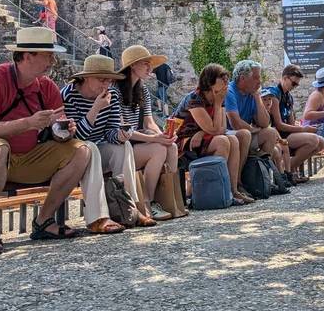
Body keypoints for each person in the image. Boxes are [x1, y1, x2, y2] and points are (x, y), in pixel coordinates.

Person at [0, 27, 111, 255]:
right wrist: (29, 123)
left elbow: (59, 128)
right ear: (28, 55)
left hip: (29, 157)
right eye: (47, 54)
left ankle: (44, 220)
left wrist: (65, 130)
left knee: (82, 150)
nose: (52, 60)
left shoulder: (46, 86)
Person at [60, 55, 155, 227]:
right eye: (101, 80)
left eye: (109, 81)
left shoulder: (110, 94)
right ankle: (98, 218)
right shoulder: (69, 95)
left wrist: (119, 135)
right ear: (86, 77)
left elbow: (110, 131)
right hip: (75, 153)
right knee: (90, 147)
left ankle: (130, 207)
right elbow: (76, 137)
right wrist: (96, 108)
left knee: (123, 146)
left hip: (98, 148)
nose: (106, 85)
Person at [115, 45, 181, 220]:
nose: (150, 69)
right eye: (145, 64)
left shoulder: (143, 90)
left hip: (137, 140)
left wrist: (163, 136)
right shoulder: (115, 90)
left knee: (171, 147)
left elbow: (149, 122)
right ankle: (149, 203)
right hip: (121, 145)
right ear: (132, 66)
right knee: (158, 150)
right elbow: (122, 128)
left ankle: (169, 200)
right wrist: (154, 138)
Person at [173, 63, 254, 205]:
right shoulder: (195, 99)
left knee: (233, 140)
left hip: (202, 137)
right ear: (209, 82)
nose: (226, 82)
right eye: (221, 79)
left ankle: (233, 190)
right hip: (183, 141)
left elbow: (221, 128)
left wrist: (202, 132)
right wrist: (217, 106)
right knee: (223, 141)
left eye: (226, 79)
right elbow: (215, 130)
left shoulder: (219, 98)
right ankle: (216, 190)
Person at [261, 65, 324, 184]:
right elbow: (279, 124)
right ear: (285, 78)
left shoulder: (288, 97)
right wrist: (303, 129)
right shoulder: (275, 95)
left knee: (321, 141)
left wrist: (303, 129)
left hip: (287, 133)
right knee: (313, 140)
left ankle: (290, 170)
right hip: (278, 135)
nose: (295, 87)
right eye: (294, 84)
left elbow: (291, 123)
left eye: (297, 85)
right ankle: (286, 172)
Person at [225, 60, 282, 161]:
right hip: (229, 135)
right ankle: (238, 176)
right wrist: (252, 129)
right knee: (245, 134)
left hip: (246, 134)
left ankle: (261, 172)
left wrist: (257, 96)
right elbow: (236, 124)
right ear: (242, 78)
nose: (259, 82)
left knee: (270, 133)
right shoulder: (229, 91)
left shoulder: (251, 92)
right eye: (256, 78)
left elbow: (264, 123)